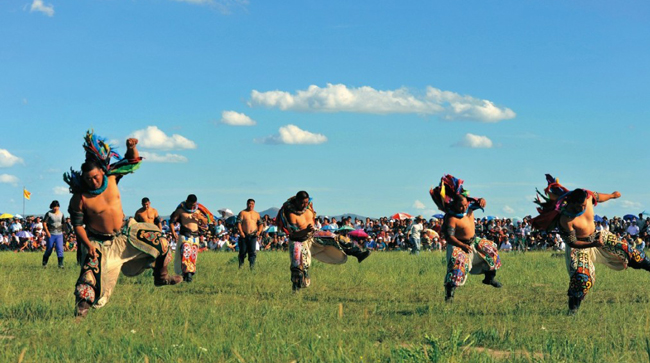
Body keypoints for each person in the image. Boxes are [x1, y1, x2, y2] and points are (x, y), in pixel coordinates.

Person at [64, 130, 181, 318]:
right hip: (99, 243)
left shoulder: (112, 178)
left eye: (95, 177)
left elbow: (132, 162)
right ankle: (81, 312)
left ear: (102, 171)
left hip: (125, 235)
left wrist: (132, 148)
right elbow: (78, 226)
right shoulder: (79, 198)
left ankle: (161, 277)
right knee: (89, 275)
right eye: (88, 179)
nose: (92, 181)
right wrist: (88, 246)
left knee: (160, 240)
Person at [532, 174, 650, 314]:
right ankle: (573, 309)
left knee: (632, 252)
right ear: (570, 203)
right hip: (580, 246)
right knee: (582, 277)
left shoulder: (587, 196)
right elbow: (573, 242)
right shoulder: (566, 219)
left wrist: (612, 196)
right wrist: (592, 244)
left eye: (583, 205)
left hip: (598, 236)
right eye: (578, 206)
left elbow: (598, 197)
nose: (581, 208)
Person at [430, 174, 502, 302]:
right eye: (461, 206)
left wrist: (482, 200)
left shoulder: (469, 207)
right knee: (457, 269)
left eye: (465, 204)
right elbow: (449, 237)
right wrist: (462, 246)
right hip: (458, 245)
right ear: (454, 205)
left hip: (474, 241)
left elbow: (480, 200)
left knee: (491, 251)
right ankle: (449, 295)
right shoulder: (451, 218)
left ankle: (489, 278)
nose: (464, 207)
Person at [170, 194, 209, 282]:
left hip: (195, 236)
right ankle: (186, 274)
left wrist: (200, 217)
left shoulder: (198, 211)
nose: (192, 207)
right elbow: (172, 221)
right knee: (185, 253)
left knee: (193, 255)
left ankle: (190, 273)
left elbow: (206, 221)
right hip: (185, 235)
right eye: (191, 205)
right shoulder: (180, 211)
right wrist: (173, 232)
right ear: (187, 202)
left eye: (194, 205)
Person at [236, 199, 263, 270]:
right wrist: (241, 232)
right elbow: (239, 223)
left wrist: (259, 232)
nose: (251, 205)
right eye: (249, 203)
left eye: (252, 204)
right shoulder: (242, 213)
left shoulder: (257, 214)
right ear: (247, 204)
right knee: (242, 251)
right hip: (244, 235)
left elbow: (261, 224)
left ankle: (252, 267)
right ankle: (241, 266)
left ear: (254, 205)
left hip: (253, 235)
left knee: (252, 252)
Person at [42, 200, 66, 268]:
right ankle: (44, 263)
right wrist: (47, 232)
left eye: (57, 207)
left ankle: (60, 264)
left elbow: (63, 223)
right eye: (54, 207)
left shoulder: (61, 214)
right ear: (52, 207)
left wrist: (64, 231)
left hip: (59, 234)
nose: (55, 208)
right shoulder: (49, 214)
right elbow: (44, 223)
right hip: (51, 233)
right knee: (49, 248)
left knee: (60, 249)